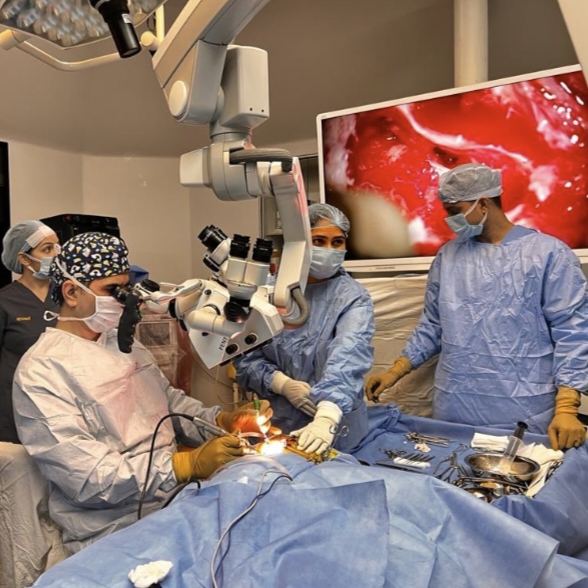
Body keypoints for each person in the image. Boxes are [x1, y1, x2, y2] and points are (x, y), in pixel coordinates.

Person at [12, 232, 269, 554]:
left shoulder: (123, 344)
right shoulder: (41, 371)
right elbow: (86, 478)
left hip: (175, 501)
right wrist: (183, 465)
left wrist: (220, 421)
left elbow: (167, 404)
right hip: (110, 528)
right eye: (112, 291)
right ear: (71, 292)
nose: (123, 300)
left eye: (125, 289)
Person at [366, 163, 588, 450]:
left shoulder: (549, 254)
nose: (449, 219)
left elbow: (573, 331)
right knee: (452, 469)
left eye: (454, 210)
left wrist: (567, 407)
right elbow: (433, 325)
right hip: (455, 405)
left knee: (524, 472)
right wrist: (395, 371)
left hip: (524, 407)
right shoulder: (448, 256)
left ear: (483, 203)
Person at [233, 203, 375, 454]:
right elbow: (245, 357)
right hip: (279, 424)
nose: (329, 250)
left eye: (337, 242)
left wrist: (327, 415)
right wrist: (281, 384)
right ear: (299, 243)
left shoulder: (353, 298)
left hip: (338, 426)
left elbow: (349, 355)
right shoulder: (269, 293)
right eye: (319, 241)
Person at [0, 220, 60, 444]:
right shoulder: (0, 303)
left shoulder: (66, 295)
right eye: (47, 249)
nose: (56, 254)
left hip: (59, 401)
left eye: (57, 247)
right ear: (24, 258)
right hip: (15, 404)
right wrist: (14, 367)